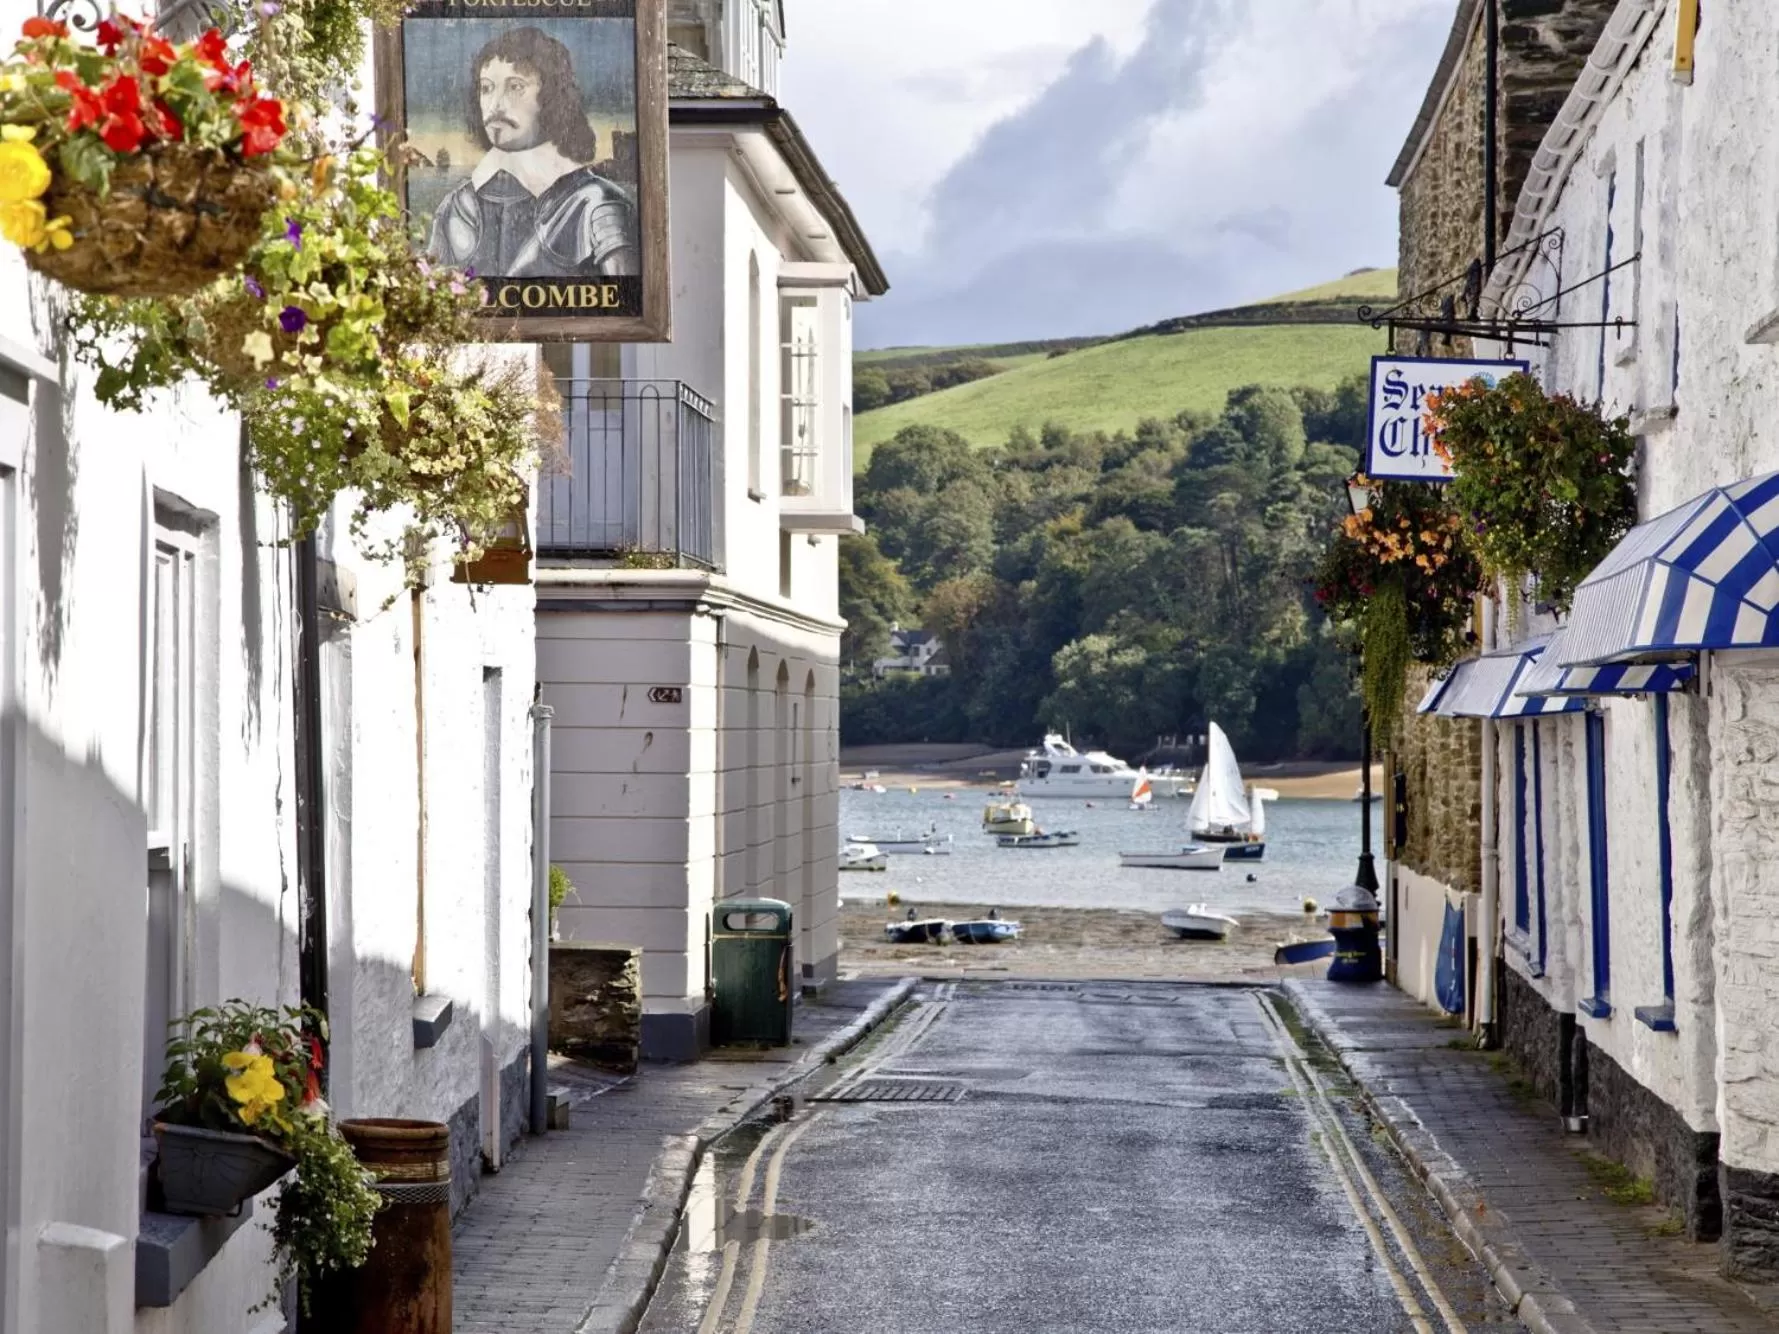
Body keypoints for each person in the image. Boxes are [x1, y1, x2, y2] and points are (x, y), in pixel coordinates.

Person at [428, 26, 638, 279]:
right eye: (486, 88)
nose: (495, 105)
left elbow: (623, 301)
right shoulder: (457, 206)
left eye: (516, 87)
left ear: (552, 96)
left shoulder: (596, 204)